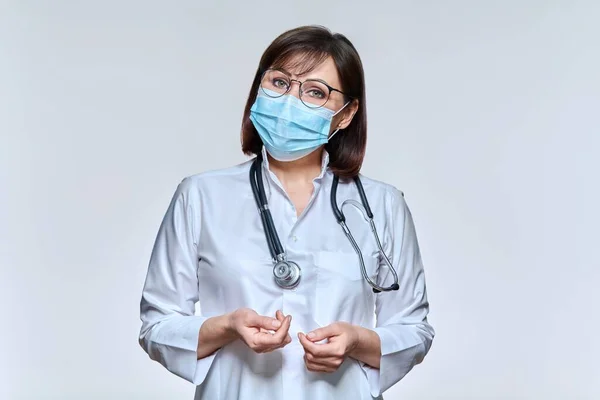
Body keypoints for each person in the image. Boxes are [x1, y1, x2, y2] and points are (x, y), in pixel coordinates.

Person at [138, 25, 434, 400]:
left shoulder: (382, 205)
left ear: (345, 114)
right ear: (259, 89)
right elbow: (156, 326)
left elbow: (414, 329)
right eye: (279, 83)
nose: (290, 101)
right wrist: (226, 326)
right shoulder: (200, 196)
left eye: (314, 92)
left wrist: (358, 340)